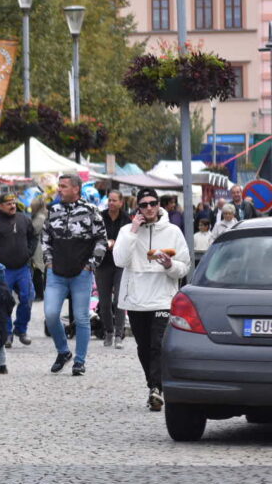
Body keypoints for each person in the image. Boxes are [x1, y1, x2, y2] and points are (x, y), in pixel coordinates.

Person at [113, 188, 190, 412]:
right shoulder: (127, 230)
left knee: (158, 344)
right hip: (136, 298)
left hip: (162, 298)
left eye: (153, 203)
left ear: (159, 205)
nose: (149, 208)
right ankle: (153, 385)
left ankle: (156, 388)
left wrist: (169, 265)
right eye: (144, 204)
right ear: (137, 207)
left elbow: (184, 267)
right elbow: (119, 260)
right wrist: (133, 231)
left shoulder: (173, 231)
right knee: (144, 347)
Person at [41, 173, 107, 376]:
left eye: (63, 186)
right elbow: (45, 238)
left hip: (81, 273)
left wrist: (91, 264)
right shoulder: (53, 210)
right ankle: (63, 351)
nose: (59, 189)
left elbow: (101, 239)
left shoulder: (91, 211)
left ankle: (79, 361)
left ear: (76, 189)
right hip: (56, 273)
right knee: (51, 315)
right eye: (59, 186)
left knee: (81, 317)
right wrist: (48, 262)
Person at [0, 193, 36, 348]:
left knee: (28, 297)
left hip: (23, 267)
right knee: (4, 301)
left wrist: (29, 252)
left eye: (14, 203)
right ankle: (7, 333)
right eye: (9, 203)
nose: (12, 206)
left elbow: (33, 237)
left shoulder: (23, 219)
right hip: (4, 270)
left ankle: (21, 329)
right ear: (0, 206)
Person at [97, 189, 131, 349]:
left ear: (121, 202)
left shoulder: (126, 219)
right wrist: (106, 243)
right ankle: (108, 331)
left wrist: (117, 243)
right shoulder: (100, 217)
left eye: (114, 200)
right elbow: (95, 237)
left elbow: (130, 239)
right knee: (104, 303)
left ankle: (119, 334)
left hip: (120, 264)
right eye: (109, 200)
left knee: (119, 300)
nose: (111, 203)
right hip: (103, 263)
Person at [29, 196, 48, 300]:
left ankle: (40, 294)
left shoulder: (39, 218)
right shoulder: (42, 216)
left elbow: (32, 230)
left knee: (38, 271)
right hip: (39, 246)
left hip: (38, 248)